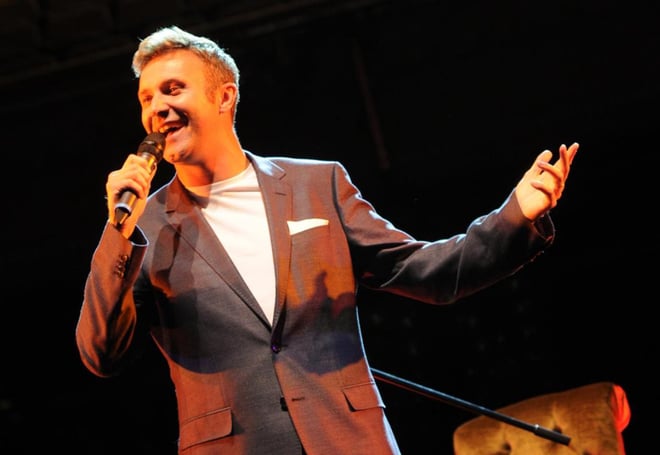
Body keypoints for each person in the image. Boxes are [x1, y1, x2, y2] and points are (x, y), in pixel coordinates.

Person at [75, 25, 579, 455]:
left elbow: (427, 273)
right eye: (146, 98)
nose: (157, 109)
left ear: (224, 95)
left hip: (348, 439)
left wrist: (516, 214)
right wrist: (118, 231)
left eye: (173, 90)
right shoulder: (146, 226)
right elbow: (101, 354)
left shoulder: (317, 186)